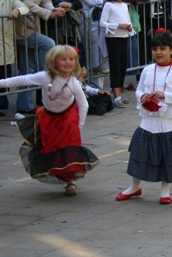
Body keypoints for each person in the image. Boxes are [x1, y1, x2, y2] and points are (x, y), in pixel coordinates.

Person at [0, 45, 99, 196]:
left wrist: (79, 124)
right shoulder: (44, 77)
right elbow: (22, 79)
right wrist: (2, 83)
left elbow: (83, 104)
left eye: (71, 59)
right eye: (63, 59)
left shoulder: (73, 82)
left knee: (69, 146)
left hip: (68, 117)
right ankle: (65, 176)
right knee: (52, 147)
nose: (68, 62)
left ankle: (72, 179)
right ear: (53, 62)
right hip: (48, 118)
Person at [116, 30, 172, 205]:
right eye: (155, 49)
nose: (158, 52)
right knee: (139, 152)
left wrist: (164, 95)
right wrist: (142, 96)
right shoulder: (148, 70)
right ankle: (135, 186)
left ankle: (165, 189)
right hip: (148, 121)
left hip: (169, 122)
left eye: (163, 48)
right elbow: (139, 88)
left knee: (168, 156)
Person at [10, 0, 64, 114]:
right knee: (48, 44)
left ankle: (24, 105)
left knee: (27, 68)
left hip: (33, 27)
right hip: (22, 29)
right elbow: (29, 4)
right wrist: (49, 13)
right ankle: (46, 73)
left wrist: (52, 9)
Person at [76, 0, 110, 88]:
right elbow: (92, 0)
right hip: (89, 22)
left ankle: (98, 87)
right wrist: (103, 0)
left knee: (101, 53)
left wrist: (102, 0)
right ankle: (93, 85)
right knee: (93, 53)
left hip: (100, 22)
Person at [100, 0, 134, 109]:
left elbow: (127, 20)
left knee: (122, 64)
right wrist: (118, 25)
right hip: (113, 37)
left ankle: (119, 93)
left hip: (123, 36)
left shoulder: (125, 5)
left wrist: (129, 27)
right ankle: (116, 95)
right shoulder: (109, 5)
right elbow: (102, 23)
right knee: (115, 65)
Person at [0, 0, 29, 117]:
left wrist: (17, 10)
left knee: (5, 74)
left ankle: (1, 102)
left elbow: (24, 7)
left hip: (5, 42)